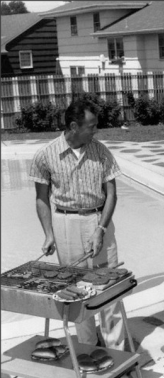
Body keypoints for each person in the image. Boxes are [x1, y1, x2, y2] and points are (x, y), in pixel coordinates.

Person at [29, 98, 125, 350]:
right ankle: (88, 350)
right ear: (74, 125)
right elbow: (41, 199)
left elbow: (112, 194)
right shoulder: (45, 155)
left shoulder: (101, 151)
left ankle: (116, 350)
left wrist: (101, 229)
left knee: (109, 284)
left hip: (99, 219)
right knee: (78, 288)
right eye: (91, 126)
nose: (96, 130)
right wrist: (49, 234)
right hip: (65, 223)